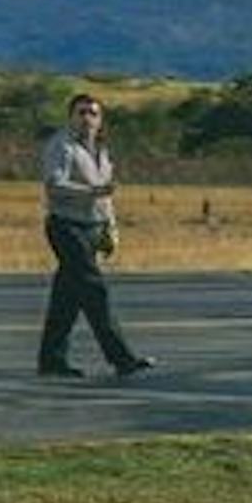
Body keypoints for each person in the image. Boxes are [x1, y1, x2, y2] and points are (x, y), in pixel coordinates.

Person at [35, 90, 153, 379]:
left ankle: (51, 360)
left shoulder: (101, 151)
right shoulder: (62, 146)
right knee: (94, 291)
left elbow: (106, 196)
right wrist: (90, 192)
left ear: (101, 121)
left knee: (67, 298)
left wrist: (111, 228)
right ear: (71, 116)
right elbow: (54, 185)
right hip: (66, 225)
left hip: (92, 228)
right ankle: (122, 358)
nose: (88, 118)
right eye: (82, 112)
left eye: (93, 113)